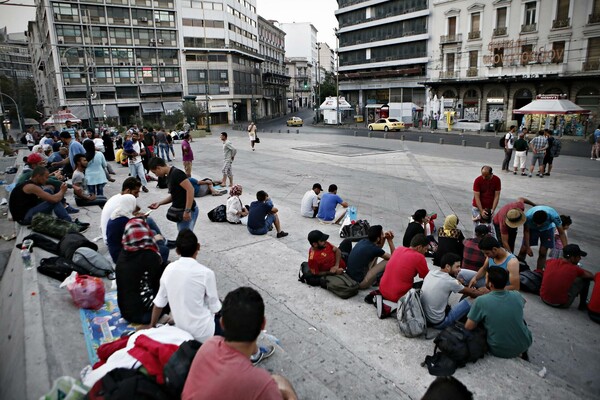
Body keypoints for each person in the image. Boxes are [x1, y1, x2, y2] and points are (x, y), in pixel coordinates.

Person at [181, 287, 297, 400]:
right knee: (281, 383)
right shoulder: (261, 384)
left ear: (222, 323)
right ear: (263, 324)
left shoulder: (209, 344)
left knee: (275, 380)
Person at [146, 230, 221, 343]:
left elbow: (159, 303)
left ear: (177, 250)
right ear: (198, 247)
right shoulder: (206, 273)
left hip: (180, 331)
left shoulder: (169, 269)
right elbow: (215, 308)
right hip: (204, 334)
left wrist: (152, 326)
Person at [465, 267, 533, 359]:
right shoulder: (516, 295)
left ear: (490, 284)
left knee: (478, 323)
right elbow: (522, 303)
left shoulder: (481, 301)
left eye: (486, 278)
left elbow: (469, 326)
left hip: (500, 350)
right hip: (526, 342)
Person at [115, 216, 165, 324]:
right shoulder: (149, 256)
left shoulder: (124, 252)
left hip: (126, 312)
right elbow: (159, 285)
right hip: (145, 315)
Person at [421, 253, 487, 329]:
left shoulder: (431, 273)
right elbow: (474, 293)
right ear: (447, 267)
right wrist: (485, 291)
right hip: (440, 323)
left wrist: (458, 283)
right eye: (457, 267)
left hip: (425, 318)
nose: (459, 269)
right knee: (473, 299)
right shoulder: (450, 281)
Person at [377, 234, 430, 318]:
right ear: (419, 247)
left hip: (383, 290)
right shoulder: (419, 257)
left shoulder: (399, 249)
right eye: (425, 249)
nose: (426, 251)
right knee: (427, 285)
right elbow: (427, 278)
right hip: (397, 296)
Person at [106, 194, 169, 264]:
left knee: (153, 232)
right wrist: (154, 239)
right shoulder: (126, 222)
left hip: (119, 250)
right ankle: (157, 270)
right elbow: (138, 243)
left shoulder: (117, 214)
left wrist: (138, 217)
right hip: (124, 256)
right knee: (164, 250)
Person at [8, 166, 75, 225]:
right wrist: (62, 191)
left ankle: (62, 215)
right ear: (38, 176)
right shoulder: (31, 186)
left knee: (48, 191)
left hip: (26, 211)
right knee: (53, 201)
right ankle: (68, 221)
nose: (46, 180)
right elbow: (54, 199)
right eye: (45, 177)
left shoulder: (30, 182)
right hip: (24, 218)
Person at [149, 157, 199, 231]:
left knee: (184, 239)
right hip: (181, 213)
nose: (156, 175)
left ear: (158, 168)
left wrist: (187, 210)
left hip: (188, 211)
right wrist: (159, 203)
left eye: (155, 172)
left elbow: (190, 189)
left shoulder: (176, 173)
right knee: (185, 238)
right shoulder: (169, 175)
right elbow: (175, 195)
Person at [540, 244, 593, 310]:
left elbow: (546, 268)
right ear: (572, 258)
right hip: (560, 304)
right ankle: (582, 305)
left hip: (543, 298)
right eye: (578, 256)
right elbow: (591, 276)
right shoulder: (574, 269)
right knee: (585, 280)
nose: (580, 258)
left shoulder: (550, 261)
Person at [518, 205, 568, 271]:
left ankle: (538, 272)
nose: (538, 226)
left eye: (540, 224)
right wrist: (528, 247)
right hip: (532, 229)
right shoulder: (527, 217)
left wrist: (566, 249)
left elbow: (561, 233)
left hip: (547, 229)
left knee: (543, 252)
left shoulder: (554, 216)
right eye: (536, 223)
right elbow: (526, 231)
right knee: (523, 250)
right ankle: (517, 267)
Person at [471, 165, 501, 234]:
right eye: (482, 175)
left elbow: (497, 196)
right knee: (477, 229)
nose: (484, 178)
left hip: (489, 208)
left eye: (486, 176)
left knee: (490, 229)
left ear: (491, 174)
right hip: (477, 207)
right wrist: (481, 211)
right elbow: (477, 197)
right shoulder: (478, 180)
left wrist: (493, 209)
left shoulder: (496, 180)